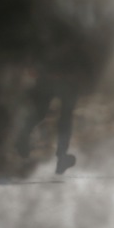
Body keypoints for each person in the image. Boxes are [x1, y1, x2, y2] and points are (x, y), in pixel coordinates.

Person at [15, 35, 88, 175]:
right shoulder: (73, 30)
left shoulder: (47, 29)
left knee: (41, 112)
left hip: (48, 75)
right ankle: (61, 157)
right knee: (65, 118)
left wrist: (35, 67)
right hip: (64, 78)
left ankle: (22, 140)